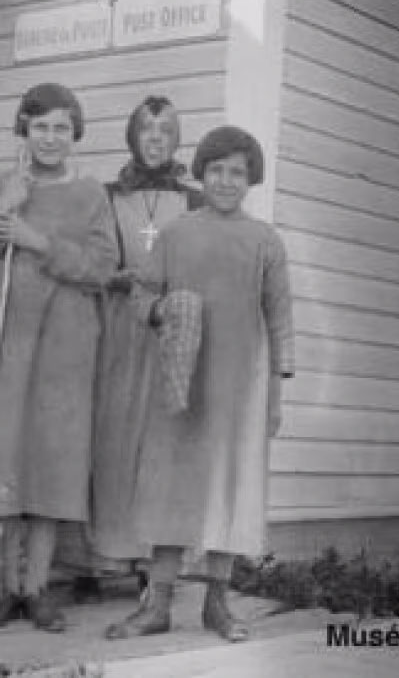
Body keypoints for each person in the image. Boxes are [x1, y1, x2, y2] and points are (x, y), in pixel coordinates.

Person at [104, 125, 295, 643]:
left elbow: (279, 320)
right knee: (171, 485)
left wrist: (275, 392)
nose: (226, 181)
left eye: (237, 172)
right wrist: (163, 308)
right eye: (216, 170)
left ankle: (217, 603)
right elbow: (141, 296)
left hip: (240, 388)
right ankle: (157, 603)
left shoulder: (265, 242)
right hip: (180, 384)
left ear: (251, 178)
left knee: (228, 490)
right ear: (201, 174)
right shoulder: (177, 234)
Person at [0, 82, 119, 632]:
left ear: (75, 136)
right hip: (8, 343)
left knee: (51, 461)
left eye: (61, 128)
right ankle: (6, 589)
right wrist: (3, 215)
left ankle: (39, 587)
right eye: (40, 126)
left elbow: (102, 269)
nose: (50, 138)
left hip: (66, 348)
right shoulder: (1, 187)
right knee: (5, 457)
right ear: (23, 130)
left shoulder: (92, 194)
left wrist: (36, 240)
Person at [65, 95, 204, 602]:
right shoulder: (107, 195)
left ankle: (152, 559)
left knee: (158, 440)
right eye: (146, 131)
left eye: (166, 132)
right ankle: (100, 555)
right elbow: (92, 256)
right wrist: (112, 276)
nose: (155, 140)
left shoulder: (193, 200)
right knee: (110, 437)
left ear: (176, 139)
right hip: (114, 328)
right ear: (132, 136)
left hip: (165, 330)